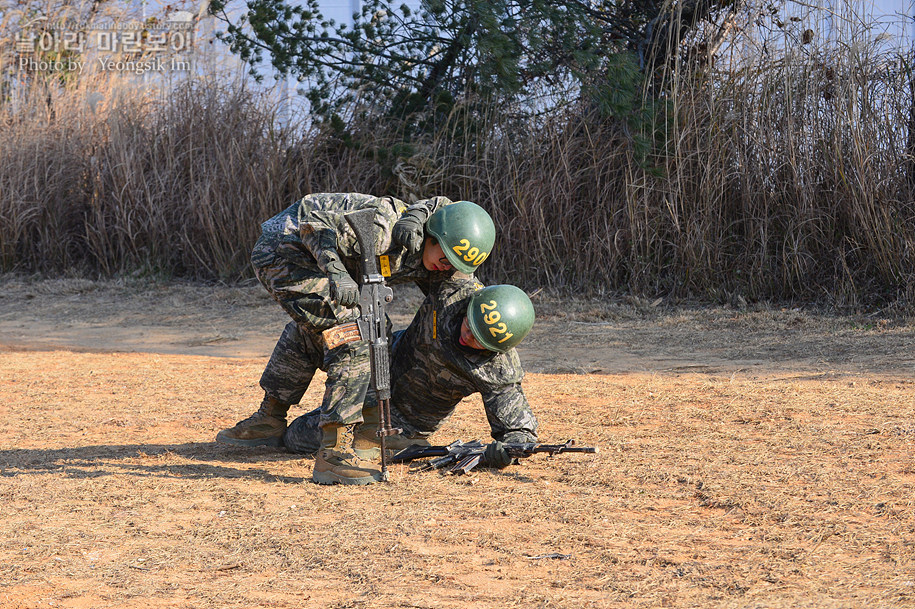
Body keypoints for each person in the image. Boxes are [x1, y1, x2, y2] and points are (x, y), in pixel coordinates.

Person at [215, 193, 496, 486]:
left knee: (370, 328)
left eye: (456, 264)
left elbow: (465, 291)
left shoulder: (444, 243)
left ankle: (269, 419)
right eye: (446, 259)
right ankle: (333, 456)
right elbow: (314, 225)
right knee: (354, 334)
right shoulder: (384, 227)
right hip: (287, 249)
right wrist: (337, 273)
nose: (447, 268)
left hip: (335, 257)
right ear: (433, 238)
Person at [282, 278, 540, 471]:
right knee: (305, 330)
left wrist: (506, 452)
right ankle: (269, 415)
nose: (468, 337)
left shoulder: (499, 366)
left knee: (297, 435)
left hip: (400, 420)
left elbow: (519, 430)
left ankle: (382, 440)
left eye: (479, 341)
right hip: (378, 367)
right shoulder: (454, 291)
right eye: (470, 326)